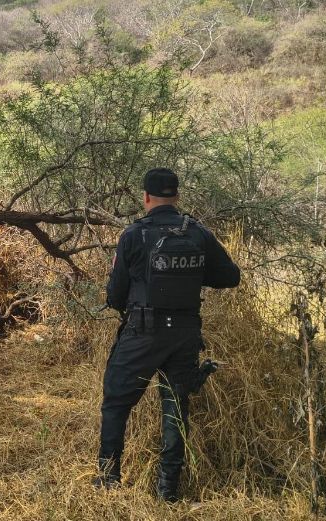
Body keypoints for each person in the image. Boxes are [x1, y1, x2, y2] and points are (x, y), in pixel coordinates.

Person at [94, 168, 240, 501]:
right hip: (185, 335)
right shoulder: (198, 233)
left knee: (116, 403)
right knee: (175, 408)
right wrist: (192, 277)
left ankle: (108, 480)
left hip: (142, 332)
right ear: (177, 196)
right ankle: (168, 490)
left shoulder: (134, 235)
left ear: (145, 197)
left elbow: (115, 295)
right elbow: (231, 277)